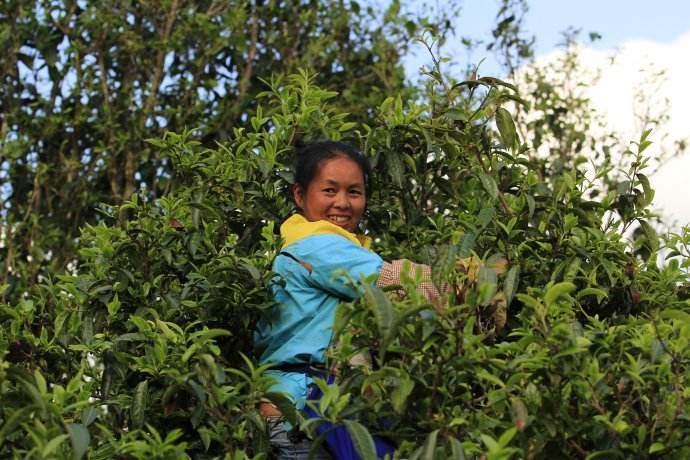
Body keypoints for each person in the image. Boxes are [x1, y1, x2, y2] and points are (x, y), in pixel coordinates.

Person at [254, 141, 441, 459]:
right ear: (300, 195)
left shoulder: (309, 244)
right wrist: (468, 291)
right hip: (304, 408)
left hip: (303, 405)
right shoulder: (316, 246)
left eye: (354, 192)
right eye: (329, 191)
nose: (342, 202)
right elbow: (396, 287)